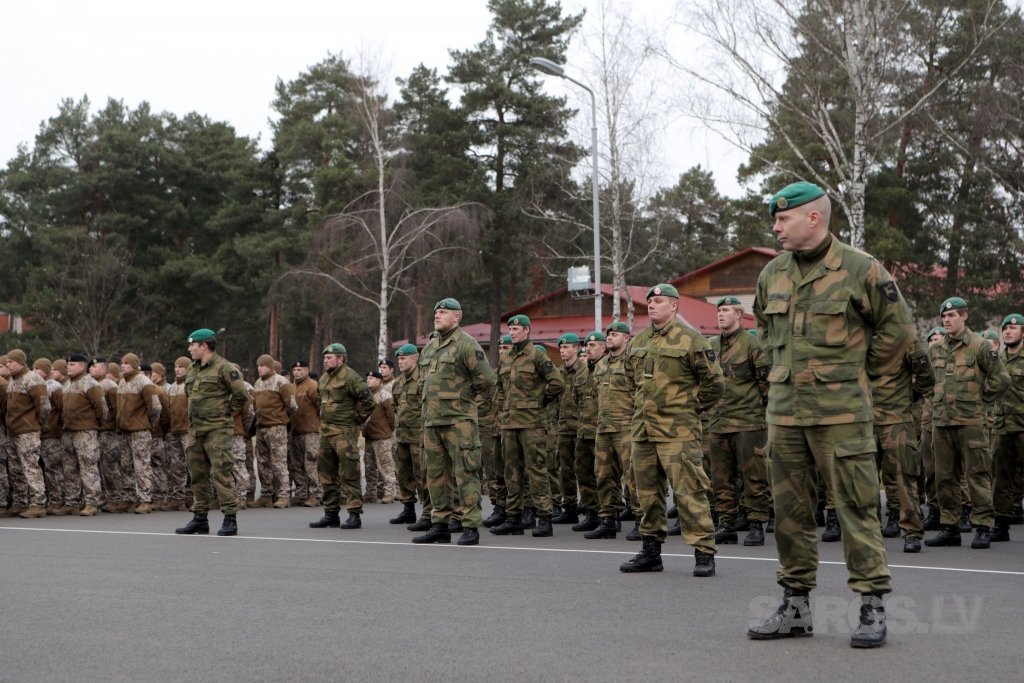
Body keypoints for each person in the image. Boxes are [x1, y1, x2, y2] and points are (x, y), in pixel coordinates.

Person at [747, 182, 915, 649]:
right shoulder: (771, 274)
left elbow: (899, 329)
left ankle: (872, 607)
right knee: (789, 514)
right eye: (775, 220)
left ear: (813, 218)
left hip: (841, 416)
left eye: (783, 219)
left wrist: (855, 374)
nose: (775, 227)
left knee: (857, 508)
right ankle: (795, 608)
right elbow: (763, 327)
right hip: (784, 414)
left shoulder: (860, 268)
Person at [618, 286, 722, 576]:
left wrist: (690, 409)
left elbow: (715, 383)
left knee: (690, 493)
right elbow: (631, 381)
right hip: (643, 430)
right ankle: (651, 553)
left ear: (674, 306)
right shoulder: (638, 341)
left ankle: (704, 554)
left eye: (659, 301)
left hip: (679, 432)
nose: (652, 306)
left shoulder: (692, 339)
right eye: (649, 301)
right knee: (647, 494)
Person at [925, 298, 1009, 549]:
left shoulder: (980, 345)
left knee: (978, 475)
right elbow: (928, 382)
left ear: (964, 316)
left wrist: (981, 400)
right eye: (944, 316)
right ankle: (950, 527)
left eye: (952, 315)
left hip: (972, 422)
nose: (947, 320)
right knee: (944, 477)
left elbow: (1002, 379)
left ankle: (983, 527)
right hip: (942, 422)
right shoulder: (935, 349)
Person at [413, 298, 494, 545]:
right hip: (432, 422)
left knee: (466, 473)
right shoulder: (430, 347)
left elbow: (486, 380)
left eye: (443, 312)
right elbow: (422, 381)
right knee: (435, 476)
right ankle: (440, 525)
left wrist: (464, 399)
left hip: (459, 423)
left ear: (457, 317)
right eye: (436, 312)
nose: (437, 316)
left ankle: (470, 526)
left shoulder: (466, 345)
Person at [491, 314, 562, 538]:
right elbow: (500, 386)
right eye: (510, 328)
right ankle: (514, 517)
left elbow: (557, 382)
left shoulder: (536, 355)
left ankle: (544, 518)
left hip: (532, 423)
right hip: (509, 423)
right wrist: (504, 405)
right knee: (511, 471)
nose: (512, 332)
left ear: (527, 331)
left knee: (536, 469)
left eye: (517, 328)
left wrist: (539, 402)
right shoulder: (506, 357)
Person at [709, 296, 772, 547]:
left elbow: (766, 386)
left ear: (739, 314)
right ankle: (727, 524)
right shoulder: (711, 345)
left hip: (748, 423)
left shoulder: (753, 345)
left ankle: (756, 524)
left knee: (753, 476)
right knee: (721, 478)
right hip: (718, 423)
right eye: (719, 310)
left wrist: (762, 417)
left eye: (726, 310)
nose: (721, 314)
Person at [175, 329, 250, 536]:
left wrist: (225, 411)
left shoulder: (224, 367)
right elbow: (189, 394)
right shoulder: (192, 368)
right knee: (197, 475)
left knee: (221, 473)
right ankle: (200, 518)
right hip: (196, 429)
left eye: (192, 345)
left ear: (204, 346)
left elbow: (241, 394)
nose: (190, 349)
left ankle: (230, 518)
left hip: (217, 429)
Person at [872, 338, 934, 553]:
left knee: (905, 477)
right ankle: (869, 532)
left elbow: (927, 376)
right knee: (862, 478)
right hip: (863, 419)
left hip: (896, 419)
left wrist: (908, 397)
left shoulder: (906, 338)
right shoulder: (857, 335)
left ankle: (912, 532)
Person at [309, 344, 375, 530]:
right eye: (325, 358)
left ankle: (354, 514)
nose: (326, 361)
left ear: (341, 359)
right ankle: (331, 513)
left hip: (344, 433)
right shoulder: (323, 379)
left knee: (350, 473)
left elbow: (369, 402)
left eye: (330, 358)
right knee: (326, 474)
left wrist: (357, 421)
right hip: (326, 433)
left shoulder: (352, 377)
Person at [587, 321, 640, 540]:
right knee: (604, 475)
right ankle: (608, 519)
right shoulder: (600, 365)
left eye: (615, 334)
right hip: (604, 428)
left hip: (627, 427)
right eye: (608, 334)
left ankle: (641, 519)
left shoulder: (633, 362)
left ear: (626, 338)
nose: (609, 337)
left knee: (633, 476)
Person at [3, 350, 50, 518]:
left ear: (21, 362)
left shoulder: (33, 379)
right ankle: (20, 502)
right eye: (7, 361)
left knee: (30, 467)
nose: (8, 364)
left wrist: (37, 425)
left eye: (11, 361)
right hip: (13, 431)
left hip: (28, 432)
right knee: (16, 469)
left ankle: (38, 504)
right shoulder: (12, 381)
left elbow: (44, 407)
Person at [61, 354, 108, 516]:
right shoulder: (67, 384)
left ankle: (91, 502)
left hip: (85, 432)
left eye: (72, 364)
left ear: (82, 366)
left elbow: (102, 409)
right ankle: (72, 502)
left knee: (88, 466)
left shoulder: (90, 384)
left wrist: (93, 425)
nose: (68, 367)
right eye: (68, 364)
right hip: (68, 431)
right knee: (69, 468)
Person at [116, 354, 161, 514]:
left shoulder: (144, 382)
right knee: (126, 466)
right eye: (122, 363)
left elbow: (155, 408)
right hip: (124, 431)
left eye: (127, 363)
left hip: (139, 431)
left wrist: (147, 424)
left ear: (134, 365)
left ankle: (145, 500)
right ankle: (128, 498)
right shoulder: (122, 382)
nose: (123, 366)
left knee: (142, 465)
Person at [992, 314, 1024, 542]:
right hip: (1002, 427)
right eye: (1005, 328)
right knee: (1001, 479)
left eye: (1013, 328)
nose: (1008, 332)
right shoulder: (997, 360)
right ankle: (1001, 525)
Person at [251, 354, 296, 508]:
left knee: (278, 461)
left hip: (276, 427)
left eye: (262, 365)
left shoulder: (281, 382)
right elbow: (255, 406)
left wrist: (282, 419)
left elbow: (292, 406)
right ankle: (266, 494)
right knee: (262, 462)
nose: (259, 368)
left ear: (270, 366)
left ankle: (283, 495)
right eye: (258, 365)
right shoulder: (258, 383)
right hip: (261, 426)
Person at [391, 344, 428, 527]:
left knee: (422, 474)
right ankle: (408, 509)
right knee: (404, 474)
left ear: (414, 359)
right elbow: (395, 407)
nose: (400, 362)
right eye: (399, 359)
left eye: (403, 358)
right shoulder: (398, 382)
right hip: (402, 436)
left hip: (418, 436)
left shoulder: (423, 379)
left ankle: (427, 513)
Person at [571, 331, 604, 532]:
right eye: (587, 346)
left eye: (593, 346)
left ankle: (610, 515)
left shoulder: (607, 368)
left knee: (605, 475)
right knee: (583, 473)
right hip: (583, 432)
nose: (588, 349)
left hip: (603, 431)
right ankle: (592, 513)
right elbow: (576, 399)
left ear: (603, 348)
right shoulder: (582, 373)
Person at [482, 335, 514, 529]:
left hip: (514, 427)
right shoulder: (495, 375)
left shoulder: (516, 372)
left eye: (506, 347)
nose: (502, 351)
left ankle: (520, 509)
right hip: (495, 428)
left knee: (517, 471)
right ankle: (499, 507)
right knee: (497, 471)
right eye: (500, 348)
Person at [552, 333, 583, 524]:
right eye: (561, 348)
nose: (563, 351)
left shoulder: (585, 370)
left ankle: (592, 508)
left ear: (576, 348)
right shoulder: (558, 373)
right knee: (565, 471)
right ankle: (570, 507)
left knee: (586, 471)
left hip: (582, 428)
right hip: (563, 428)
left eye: (566, 348)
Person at [34, 358, 69, 515]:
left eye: (37, 368)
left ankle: (57, 500)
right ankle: (50, 498)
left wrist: (57, 426)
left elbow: (62, 410)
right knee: (44, 468)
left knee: (53, 468)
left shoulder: (55, 387)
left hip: (52, 433)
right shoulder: (38, 385)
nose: (34, 371)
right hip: (40, 433)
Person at [289, 360, 322, 507]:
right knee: (296, 465)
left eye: (299, 370)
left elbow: (321, 407)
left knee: (311, 464)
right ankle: (301, 494)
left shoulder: (313, 386)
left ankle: (316, 495)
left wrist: (320, 427)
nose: (296, 372)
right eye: (294, 370)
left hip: (311, 433)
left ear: (307, 371)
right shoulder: (291, 387)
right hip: (295, 431)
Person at [362, 370, 397, 504]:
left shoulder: (385, 396)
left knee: (386, 466)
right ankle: (371, 492)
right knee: (369, 466)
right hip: (369, 436)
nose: (368, 380)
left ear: (379, 380)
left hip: (382, 437)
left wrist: (387, 430)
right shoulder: (366, 396)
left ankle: (388, 492)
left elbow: (391, 417)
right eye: (367, 378)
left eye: (371, 378)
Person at [163, 358, 192, 511]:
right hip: (175, 431)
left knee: (193, 466)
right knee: (176, 466)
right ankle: (178, 498)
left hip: (189, 431)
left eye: (181, 367)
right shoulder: (172, 388)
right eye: (175, 366)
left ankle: (192, 496)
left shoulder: (192, 386)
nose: (177, 369)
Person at [148, 363, 172, 510]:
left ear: (161, 374)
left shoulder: (166, 389)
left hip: (163, 432)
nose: (151, 375)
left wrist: (164, 430)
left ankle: (163, 494)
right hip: (154, 432)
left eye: (153, 372)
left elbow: (166, 414)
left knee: (163, 465)